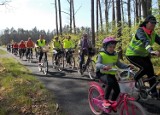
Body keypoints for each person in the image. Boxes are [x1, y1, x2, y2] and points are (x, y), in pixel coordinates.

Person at [125, 15, 160, 98]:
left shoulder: (153, 34)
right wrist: (151, 51)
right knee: (145, 68)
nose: (153, 25)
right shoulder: (140, 31)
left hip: (143, 55)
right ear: (146, 23)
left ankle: (154, 93)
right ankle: (133, 81)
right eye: (151, 23)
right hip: (132, 54)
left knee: (151, 72)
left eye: (155, 23)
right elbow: (145, 41)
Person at [96, 37, 133, 109]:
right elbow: (97, 64)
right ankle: (105, 100)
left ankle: (112, 102)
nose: (112, 48)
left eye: (113, 47)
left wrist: (127, 66)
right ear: (105, 46)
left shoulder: (115, 55)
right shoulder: (101, 54)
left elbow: (119, 64)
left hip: (111, 74)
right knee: (110, 82)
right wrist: (104, 66)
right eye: (110, 47)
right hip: (101, 73)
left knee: (117, 89)